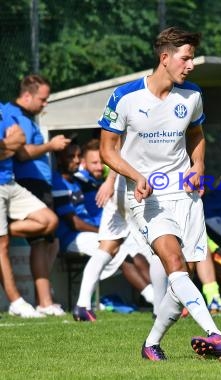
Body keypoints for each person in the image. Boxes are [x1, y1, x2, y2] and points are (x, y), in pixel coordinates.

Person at [99, 26, 221, 361]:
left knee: (180, 273)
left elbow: (197, 133)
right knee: (173, 261)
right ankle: (216, 334)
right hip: (145, 197)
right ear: (165, 58)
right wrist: (135, 176)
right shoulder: (125, 97)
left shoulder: (192, 96)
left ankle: (151, 343)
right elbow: (107, 151)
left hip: (185, 196)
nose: (191, 65)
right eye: (186, 58)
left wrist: (198, 165)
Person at [3, 74, 70, 316]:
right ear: (28, 95)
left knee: (44, 241)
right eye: (43, 99)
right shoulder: (11, 114)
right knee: (42, 239)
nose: (45, 104)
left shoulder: (27, 118)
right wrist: (50, 146)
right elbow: (20, 152)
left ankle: (44, 302)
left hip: (40, 183)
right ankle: (41, 301)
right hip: (27, 182)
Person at [70, 142, 155, 321]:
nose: (99, 166)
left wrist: (109, 181)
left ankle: (82, 305)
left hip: (123, 186)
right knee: (153, 246)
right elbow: (117, 149)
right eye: (94, 162)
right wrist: (110, 181)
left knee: (112, 248)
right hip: (131, 185)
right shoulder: (78, 180)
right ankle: (162, 302)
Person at [0, 104, 58, 318]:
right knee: (2, 244)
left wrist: (5, 146)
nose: (45, 103)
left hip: (11, 183)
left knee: (48, 221)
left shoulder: (4, 110)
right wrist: (9, 145)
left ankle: (4, 230)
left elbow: (21, 139)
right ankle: (16, 302)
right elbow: (15, 147)